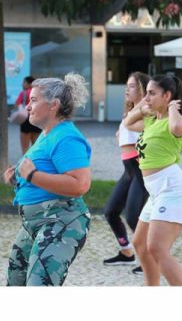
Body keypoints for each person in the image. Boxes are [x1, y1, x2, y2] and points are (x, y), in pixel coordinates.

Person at [3, 73, 92, 286]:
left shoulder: (66, 137)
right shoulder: (46, 134)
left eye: (33, 100)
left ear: (54, 105)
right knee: (15, 283)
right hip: (34, 223)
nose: (27, 106)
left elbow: (80, 184)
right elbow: (41, 173)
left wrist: (32, 175)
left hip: (60, 220)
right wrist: (17, 177)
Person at [124, 74, 182, 286]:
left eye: (152, 93)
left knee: (156, 247)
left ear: (167, 96)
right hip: (157, 192)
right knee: (140, 244)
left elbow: (177, 129)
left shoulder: (178, 121)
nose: (146, 97)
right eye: (146, 93)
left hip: (172, 190)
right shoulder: (152, 121)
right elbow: (128, 122)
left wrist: (173, 108)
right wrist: (143, 108)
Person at [103, 72, 149, 275]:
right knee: (111, 212)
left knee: (133, 216)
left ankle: (150, 260)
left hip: (140, 169)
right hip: (128, 171)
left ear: (142, 89)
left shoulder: (146, 108)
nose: (126, 90)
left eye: (131, 86)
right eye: (126, 86)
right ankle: (126, 252)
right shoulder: (131, 110)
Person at [14, 76, 42, 154]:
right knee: (36, 148)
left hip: (26, 121)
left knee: (25, 149)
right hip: (37, 121)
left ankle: (25, 161)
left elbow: (17, 105)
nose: (22, 84)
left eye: (24, 82)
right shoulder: (39, 93)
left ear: (30, 84)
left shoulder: (24, 93)